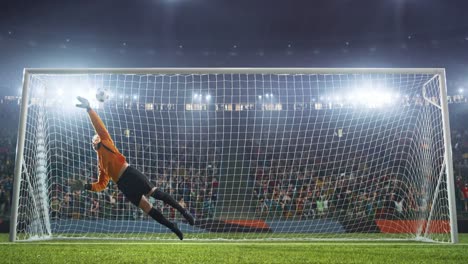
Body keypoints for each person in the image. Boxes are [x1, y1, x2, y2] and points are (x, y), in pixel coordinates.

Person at [72, 96, 194, 240]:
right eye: (93, 141)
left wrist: (89, 109)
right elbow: (101, 184)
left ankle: (183, 211)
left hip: (130, 173)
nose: (94, 141)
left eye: (95, 138)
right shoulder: (100, 164)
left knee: (155, 193)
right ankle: (173, 227)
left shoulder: (106, 140)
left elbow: (99, 126)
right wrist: (86, 186)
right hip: (123, 185)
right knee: (147, 208)